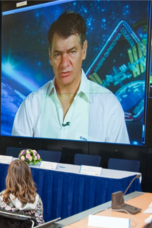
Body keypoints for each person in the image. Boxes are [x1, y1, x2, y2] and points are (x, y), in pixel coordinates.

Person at [12, 11, 129, 144]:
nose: (64, 63)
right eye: (57, 54)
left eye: (72, 52)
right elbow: (17, 162)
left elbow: (119, 163)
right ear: (50, 56)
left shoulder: (109, 107)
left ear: (84, 50)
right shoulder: (31, 105)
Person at [0, 160, 44, 225]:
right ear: (29, 178)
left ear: (9, 177)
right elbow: (39, 225)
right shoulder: (36, 199)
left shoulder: (2, 197)